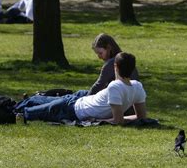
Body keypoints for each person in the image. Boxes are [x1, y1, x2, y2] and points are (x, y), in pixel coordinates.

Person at [17, 52, 146, 125]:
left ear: (115, 67)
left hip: (71, 109)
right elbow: (140, 116)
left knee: (27, 112)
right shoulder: (137, 86)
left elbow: (118, 120)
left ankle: (2, 112)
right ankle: (7, 105)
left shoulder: (115, 86)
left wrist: (97, 121)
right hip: (77, 100)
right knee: (34, 100)